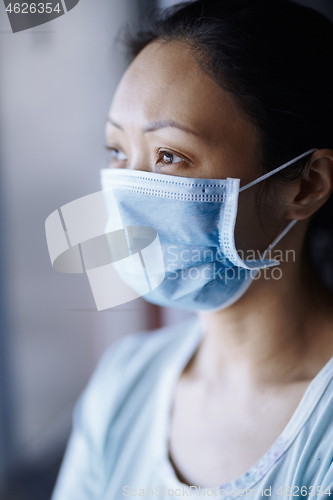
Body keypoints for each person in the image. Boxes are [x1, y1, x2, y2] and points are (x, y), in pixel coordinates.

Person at [51, 1, 333, 498]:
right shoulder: (124, 383)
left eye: (169, 156)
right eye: (117, 150)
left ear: (306, 185)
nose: (128, 188)